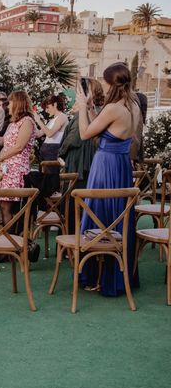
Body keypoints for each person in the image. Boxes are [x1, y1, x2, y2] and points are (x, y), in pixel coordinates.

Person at [75, 62, 141, 296]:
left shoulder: (113, 108)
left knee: (99, 216)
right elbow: (106, 131)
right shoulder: (132, 105)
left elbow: (85, 134)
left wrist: (82, 107)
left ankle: (96, 276)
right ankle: (113, 275)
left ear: (112, 83)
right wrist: (93, 109)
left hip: (105, 167)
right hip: (121, 166)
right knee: (116, 218)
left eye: (104, 81)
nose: (102, 84)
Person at [59, 77, 103, 233]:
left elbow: (74, 138)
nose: (77, 97)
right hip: (80, 163)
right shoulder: (89, 113)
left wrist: (62, 152)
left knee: (75, 203)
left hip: (80, 164)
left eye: (81, 92)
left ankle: (73, 237)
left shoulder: (84, 115)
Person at [0, 91, 36, 226]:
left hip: (17, 169)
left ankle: (12, 239)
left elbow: (19, 147)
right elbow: (6, 143)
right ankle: (8, 237)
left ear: (18, 103)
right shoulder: (13, 122)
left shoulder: (27, 121)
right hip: (7, 169)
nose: (7, 106)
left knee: (9, 206)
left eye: (10, 103)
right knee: (3, 205)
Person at [34, 94, 68, 169]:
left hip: (53, 150)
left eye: (47, 107)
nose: (46, 110)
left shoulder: (62, 117)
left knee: (50, 177)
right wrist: (33, 121)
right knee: (43, 177)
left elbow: (49, 133)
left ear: (55, 104)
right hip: (45, 150)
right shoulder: (52, 120)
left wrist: (38, 120)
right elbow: (38, 134)